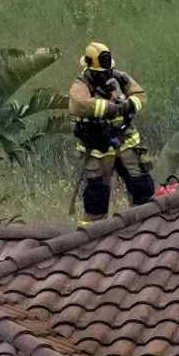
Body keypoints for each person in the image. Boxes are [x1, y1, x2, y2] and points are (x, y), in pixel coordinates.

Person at [69, 42, 154, 223]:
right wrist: (110, 108)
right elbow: (78, 104)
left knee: (141, 186)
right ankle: (94, 233)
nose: (105, 74)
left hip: (125, 141)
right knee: (97, 194)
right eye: (100, 72)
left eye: (108, 70)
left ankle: (145, 225)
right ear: (90, 67)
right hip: (98, 146)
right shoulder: (82, 84)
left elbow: (140, 95)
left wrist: (128, 104)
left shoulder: (120, 78)